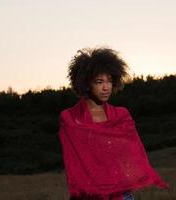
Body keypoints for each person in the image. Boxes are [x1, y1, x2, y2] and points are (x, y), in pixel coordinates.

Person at [59, 47, 169, 200]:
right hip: (89, 195)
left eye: (110, 81)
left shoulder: (121, 115)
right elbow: (76, 162)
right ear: (85, 84)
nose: (106, 87)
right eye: (99, 82)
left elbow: (130, 155)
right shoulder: (70, 117)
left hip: (121, 194)